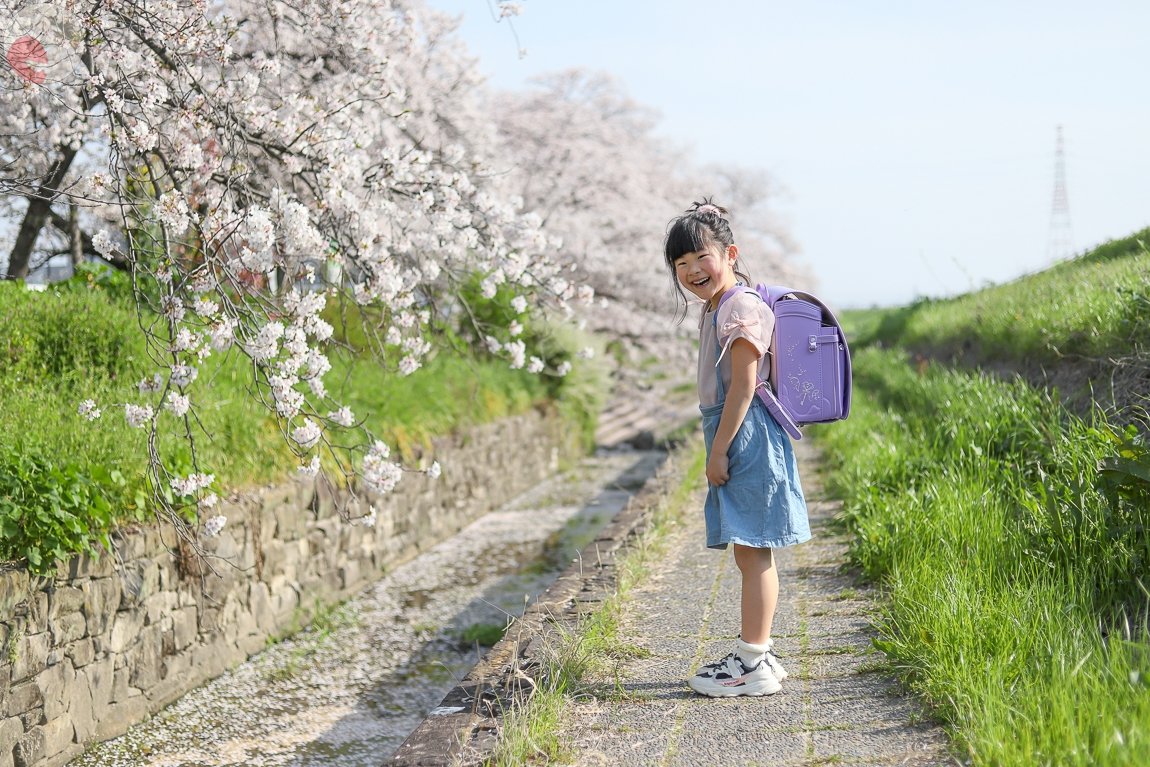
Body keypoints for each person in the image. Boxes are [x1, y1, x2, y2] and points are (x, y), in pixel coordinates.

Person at [663, 199, 811, 697]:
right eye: (680, 265)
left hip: (745, 432)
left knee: (754, 550)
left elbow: (744, 389)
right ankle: (760, 651)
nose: (690, 271)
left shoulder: (742, 306)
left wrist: (719, 450)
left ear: (729, 253)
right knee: (750, 551)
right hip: (734, 429)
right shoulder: (718, 306)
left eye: (699, 258)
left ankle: (753, 660)